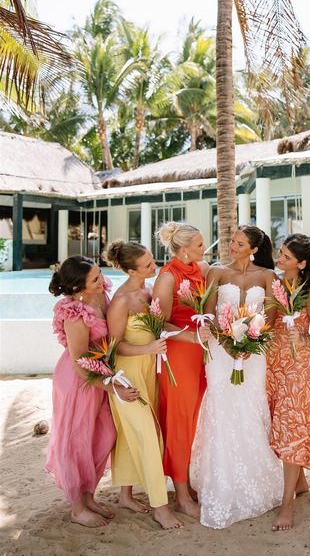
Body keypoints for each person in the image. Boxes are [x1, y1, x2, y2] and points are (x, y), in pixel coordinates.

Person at [190, 225, 283, 529]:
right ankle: (219, 481)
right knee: (221, 407)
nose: (232, 246)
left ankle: (256, 481)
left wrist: (251, 341)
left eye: (240, 243)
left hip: (254, 352)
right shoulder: (216, 272)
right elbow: (206, 312)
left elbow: (270, 316)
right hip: (219, 351)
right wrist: (227, 341)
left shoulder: (268, 277)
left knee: (250, 406)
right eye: (232, 241)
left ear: (254, 249)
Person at [104, 240, 183, 529]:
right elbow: (113, 347)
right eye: (148, 264)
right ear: (130, 270)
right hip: (127, 374)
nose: (155, 266)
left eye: (153, 260)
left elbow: (158, 325)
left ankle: (125, 494)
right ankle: (160, 507)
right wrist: (148, 349)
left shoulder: (147, 290)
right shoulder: (121, 300)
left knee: (131, 433)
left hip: (150, 371)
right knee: (148, 436)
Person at [46, 255, 118, 527]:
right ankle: (77, 507)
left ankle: (88, 497)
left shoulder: (100, 295)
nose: (102, 281)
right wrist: (109, 385)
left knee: (103, 434)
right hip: (79, 380)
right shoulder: (74, 313)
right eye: (95, 279)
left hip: (99, 372)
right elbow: (79, 360)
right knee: (77, 439)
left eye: (100, 274)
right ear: (78, 288)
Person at [266, 234, 310, 531]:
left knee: (291, 428)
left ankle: (287, 504)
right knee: (274, 425)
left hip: (296, 367)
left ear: (302, 263)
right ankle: (300, 483)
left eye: (287, 256)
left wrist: (302, 338)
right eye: (280, 252)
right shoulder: (274, 283)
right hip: (270, 365)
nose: (280, 258)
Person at [153, 222, 209, 519]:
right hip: (179, 354)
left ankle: (185, 481)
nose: (204, 248)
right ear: (185, 249)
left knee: (193, 420)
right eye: (200, 244)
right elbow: (157, 323)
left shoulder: (199, 269)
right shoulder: (167, 276)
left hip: (200, 352)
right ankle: (181, 494)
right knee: (179, 421)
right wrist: (189, 336)